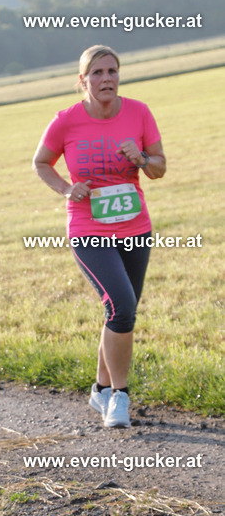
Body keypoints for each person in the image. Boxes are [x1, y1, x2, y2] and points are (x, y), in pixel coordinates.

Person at [32, 45, 166, 428]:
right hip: (89, 229)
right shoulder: (66, 121)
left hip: (135, 227)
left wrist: (140, 158)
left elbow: (160, 167)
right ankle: (119, 398)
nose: (106, 79)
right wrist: (65, 188)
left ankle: (99, 388)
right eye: (97, 73)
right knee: (122, 306)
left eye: (112, 71)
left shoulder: (139, 112)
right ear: (83, 80)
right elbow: (40, 162)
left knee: (118, 312)